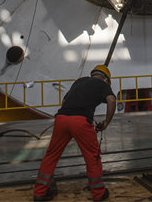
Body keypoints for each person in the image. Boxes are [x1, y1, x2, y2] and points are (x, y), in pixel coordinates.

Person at [33, 64, 116, 202]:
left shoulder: (79, 81)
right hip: (80, 122)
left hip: (61, 118)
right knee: (92, 156)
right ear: (106, 79)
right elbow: (111, 100)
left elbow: (65, 100)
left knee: (51, 155)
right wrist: (106, 122)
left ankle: (39, 193)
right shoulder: (102, 84)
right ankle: (99, 194)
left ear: (93, 74)